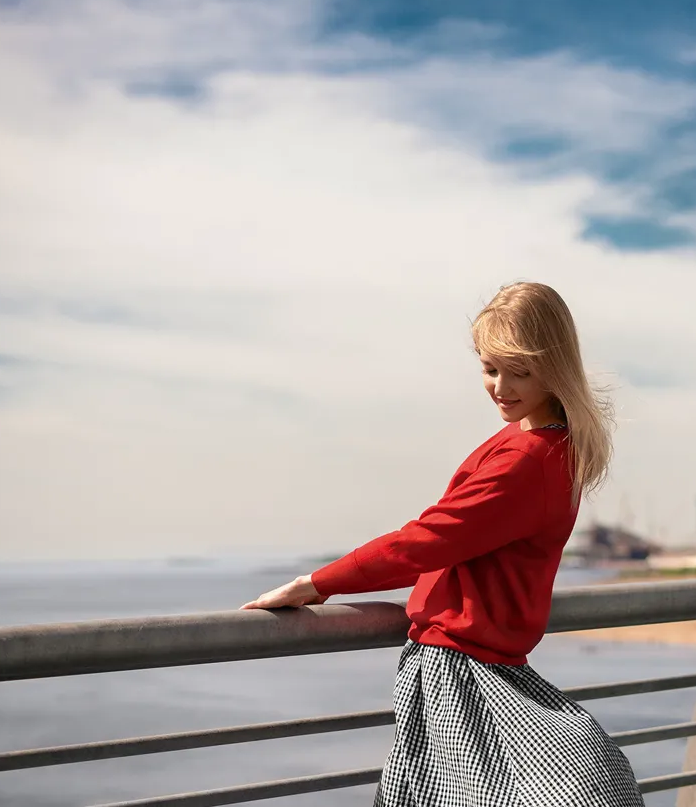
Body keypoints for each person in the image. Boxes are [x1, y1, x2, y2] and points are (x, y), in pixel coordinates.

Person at [241, 282, 644, 806]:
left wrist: (315, 584)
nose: (500, 386)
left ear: (557, 365)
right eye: (489, 367)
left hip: (463, 675)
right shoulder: (546, 446)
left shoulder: (526, 458)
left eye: (519, 370)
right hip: (469, 667)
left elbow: (427, 541)